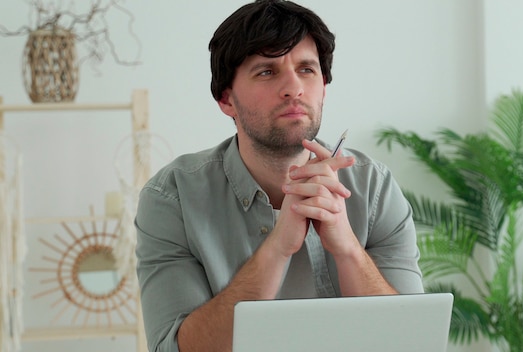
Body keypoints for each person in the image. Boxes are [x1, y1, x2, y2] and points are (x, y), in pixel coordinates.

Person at [134, 1, 424, 351]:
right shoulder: (173, 197)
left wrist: (347, 248)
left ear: (324, 88)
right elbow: (174, 349)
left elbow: (412, 343)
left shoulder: (374, 189)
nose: (294, 88)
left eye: (306, 70)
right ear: (226, 99)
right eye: (267, 72)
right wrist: (278, 248)